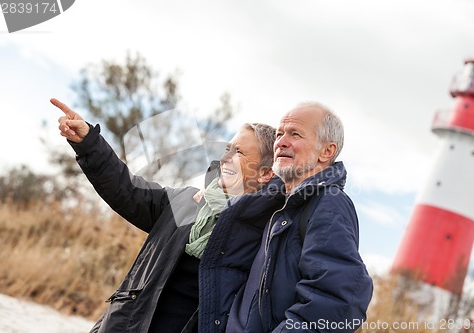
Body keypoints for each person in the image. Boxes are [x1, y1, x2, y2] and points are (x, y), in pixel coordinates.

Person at [51, 98, 284, 333]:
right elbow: (127, 190)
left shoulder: (268, 234)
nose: (225, 159)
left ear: (265, 173)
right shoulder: (185, 201)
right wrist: (88, 142)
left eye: (239, 153)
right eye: (227, 150)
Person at [198, 102, 373, 332]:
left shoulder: (328, 203)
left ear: (327, 151)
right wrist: (212, 195)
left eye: (295, 134)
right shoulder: (282, 204)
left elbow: (338, 301)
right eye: (279, 134)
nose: (280, 142)